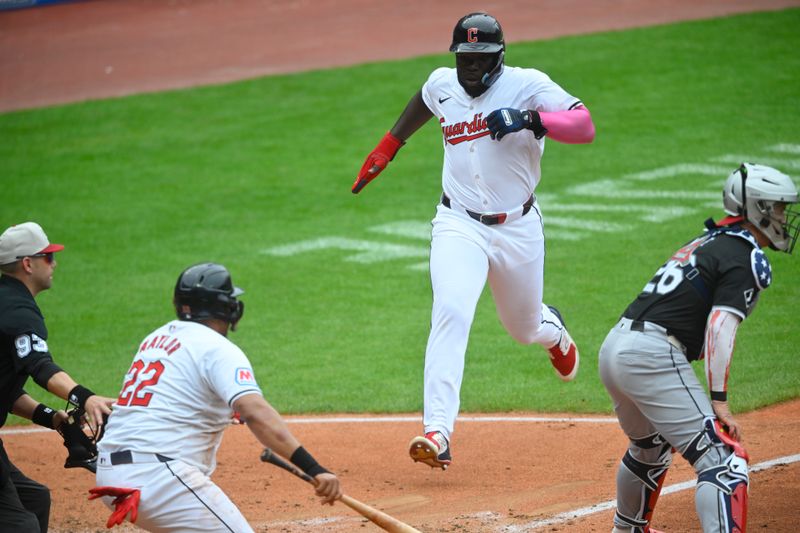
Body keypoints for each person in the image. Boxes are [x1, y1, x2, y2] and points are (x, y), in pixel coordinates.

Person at [351, 12, 595, 470]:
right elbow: (424, 100)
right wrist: (388, 146)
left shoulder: (528, 85)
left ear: (499, 57)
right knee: (452, 309)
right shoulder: (443, 83)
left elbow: (584, 126)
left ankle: (553, 331)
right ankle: (437, 432)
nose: (471, 67)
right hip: (457, 223)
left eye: (481, 58)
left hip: (518, 228)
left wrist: (530, 119)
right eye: (464, 56)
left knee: (523, 329)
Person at [598, 163, 799, 533]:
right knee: (723, 460)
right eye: (780, 208)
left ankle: (627, 530)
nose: (785, 218)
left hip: (615, 348)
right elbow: (720, 327)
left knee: (650, 447)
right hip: (651, 355)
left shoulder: (708, 242)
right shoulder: (745, 255)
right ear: (759, 209)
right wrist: (719, 400)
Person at [93, 262, 342, 531]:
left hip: (109, 475)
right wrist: (314, 468)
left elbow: (176, 395)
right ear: (225, 307)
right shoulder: (218, 348)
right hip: (158, 479)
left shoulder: (155, 338)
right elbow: (255, 412)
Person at [0, 221, 116, 532]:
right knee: (20, 525)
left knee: (34, 500)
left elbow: (5, 391)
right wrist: (84, 396)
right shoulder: (18, 311)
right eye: (48, 257)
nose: (55, 263)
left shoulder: (6, 302)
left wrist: (51, 417)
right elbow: (39, 366)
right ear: (28, 263)